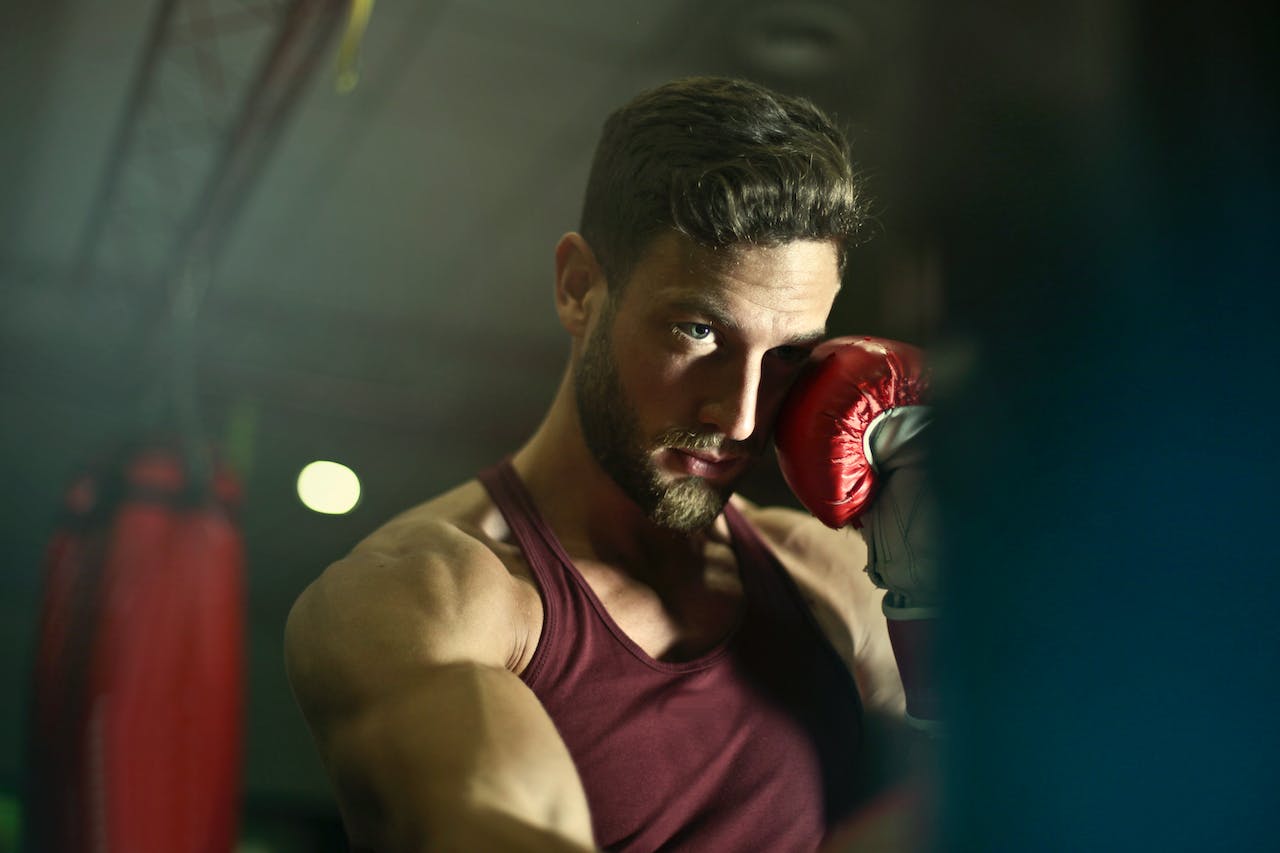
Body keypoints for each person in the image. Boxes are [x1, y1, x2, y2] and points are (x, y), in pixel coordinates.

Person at [284, 76, 933, 853]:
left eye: (790, 355)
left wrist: (949, 609)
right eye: (697, 330)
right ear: (578, 288)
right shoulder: (427, 599)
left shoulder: (830, 580)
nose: (740, 414)